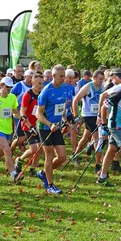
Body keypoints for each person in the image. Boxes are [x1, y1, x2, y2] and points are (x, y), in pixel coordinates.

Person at [35, 65, 70, 194]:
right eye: (61, 76)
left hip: (57, 127)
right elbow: (38, 114)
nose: (63, 78)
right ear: (54, 76)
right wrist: (50, 124)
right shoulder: (46, 91)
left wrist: (65, 120)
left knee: (62, 157)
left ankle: (44, 172)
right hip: (45, 127)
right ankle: (50, 185)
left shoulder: (65, 88)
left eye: (64, 75)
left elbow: (61, 108)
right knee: (49, 156)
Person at [72, 70, 105, 173]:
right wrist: (76, 116)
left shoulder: (102, 88)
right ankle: (98, 165)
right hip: (88, 115)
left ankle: (75, 154)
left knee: (86, 137)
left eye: (102, 79)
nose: (101, 81)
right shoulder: (87, 87)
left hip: (97, 116)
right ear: (94, 78)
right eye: (100, 79)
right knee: (97, 138)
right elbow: (75, 100)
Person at [14, 73, 44, 179]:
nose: (40, 86)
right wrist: (30, 126)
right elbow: (22, 112)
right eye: (38, 84)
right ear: (32, 82)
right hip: (28, 125)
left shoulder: (42, 95)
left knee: (40, 148)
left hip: (38, 125)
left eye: (42, 83)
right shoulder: (28, 95)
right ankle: (20, 160)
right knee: (34, 149)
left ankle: (32, 168)